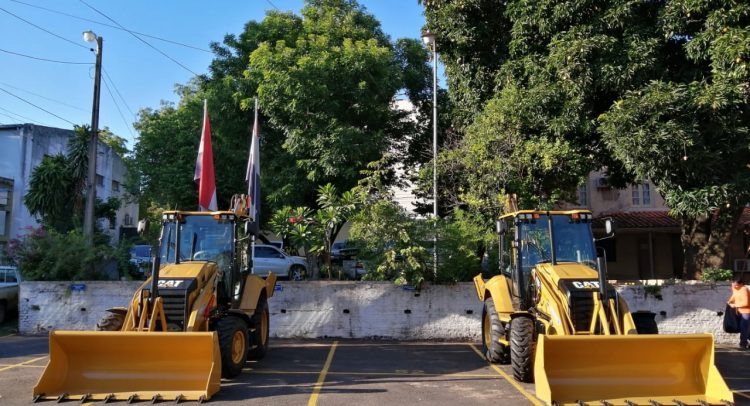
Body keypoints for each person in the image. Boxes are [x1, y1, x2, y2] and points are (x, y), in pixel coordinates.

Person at [728, 279, 750, 349]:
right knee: (743, 328)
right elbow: (734, 296)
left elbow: (746, 303)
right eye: (733, 285)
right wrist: (729, 301)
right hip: (739, 312)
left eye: (736, 285)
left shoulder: (744, 289)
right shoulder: (735, 288)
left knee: (744, 328)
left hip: (746, 312)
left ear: (741, 284)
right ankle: (744, 343)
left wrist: (734, 305)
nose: (734, 287)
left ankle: (743, 344)